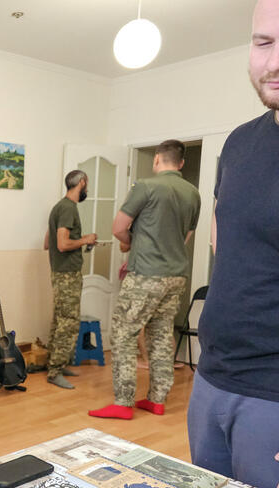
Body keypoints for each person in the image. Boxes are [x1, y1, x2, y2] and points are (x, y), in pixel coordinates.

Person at [188, 0, 279, 488]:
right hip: (212, 383)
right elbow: (230, 247)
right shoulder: (239, 143)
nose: (277, 60)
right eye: (263, 42)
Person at [89, 139, 200, 420]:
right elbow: (185, 237)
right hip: (176, 276)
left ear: (157, 160)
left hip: (147, 274)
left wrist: (129, 244)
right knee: (161, 335)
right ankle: (157, 399)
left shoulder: (146, 187)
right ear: (182, 163)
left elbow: (118, 227)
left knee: (124, 334)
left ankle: (123, 402)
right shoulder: (192, 193)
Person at [43, 170, 97, 390]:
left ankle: (55, 364)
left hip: (60, 272)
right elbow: (61, 244)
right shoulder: (68, 208)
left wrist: (80, 241)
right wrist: (86, 239)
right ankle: (55, 371)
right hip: (67, 274)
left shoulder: (59, 207)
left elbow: (48, 241)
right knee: (69, 322)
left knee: (60, 319)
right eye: (87, 184)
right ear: (82, 183)